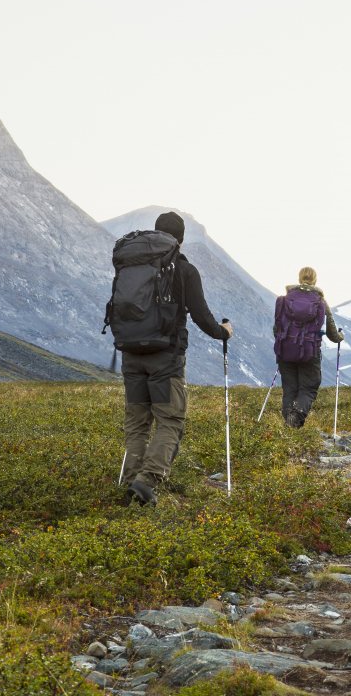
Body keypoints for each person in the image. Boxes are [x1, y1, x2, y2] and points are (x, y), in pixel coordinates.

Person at [119, 211, 232, 506]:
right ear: (180, 240)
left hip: (131, 353)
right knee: (170, 420)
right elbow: (201, 316)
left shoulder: (133, 265)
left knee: (137, 422)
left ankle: (132, 480)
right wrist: (223, 333)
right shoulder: (185, 270)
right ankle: (147, 481)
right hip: (165, 358)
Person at [273, 266, 344, 427]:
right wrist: (341, 337)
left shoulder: (284, 300)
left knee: (289, 388)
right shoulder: (321, 302)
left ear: (299, 279)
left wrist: (287, 341)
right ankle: (295, 419)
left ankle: (289, 426)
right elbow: (332, 334)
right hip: (309, 352)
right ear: (315, 280)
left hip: (285, 351)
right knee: (308, 388)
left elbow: (276, 328)